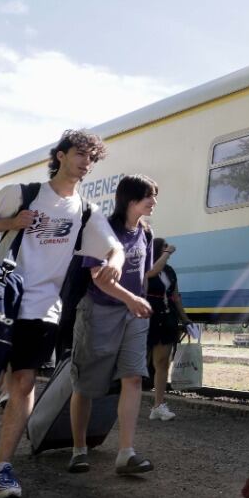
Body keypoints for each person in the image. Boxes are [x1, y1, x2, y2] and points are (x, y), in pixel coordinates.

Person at [0, 129, 123, 498]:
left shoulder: (86, 211)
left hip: (43, 307)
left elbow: (113, 248)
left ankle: (1, 469)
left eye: (91, 159)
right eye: (80, 154)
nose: (86, 162)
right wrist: (10, 223)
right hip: (1, 299)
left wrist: (114, 262)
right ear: (61, 155)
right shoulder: (23, 193)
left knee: (23, 384)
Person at [67, 174, 158, 475]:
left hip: (133, 315)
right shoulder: (101, 229)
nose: (154, 202)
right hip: (100, 310)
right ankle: (79, 449)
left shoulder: (145, 232)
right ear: (131, 199)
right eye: (149, 197)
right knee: (87, 385)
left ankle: (126, 453)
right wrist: (131, 298)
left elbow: (143, 274)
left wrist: (138, 301)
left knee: (133, 377)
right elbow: (99, 277)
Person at [145, 237, 186, 422]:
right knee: (138, 363)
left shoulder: (169, 271)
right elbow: (153, 272)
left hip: (166, 318)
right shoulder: (146, 267)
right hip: (147, 318)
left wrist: (185, 319)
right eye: (164, 247)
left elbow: (175, 296)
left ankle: (158, 405)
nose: (167, 249)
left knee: (162, 362)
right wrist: (167, 253)